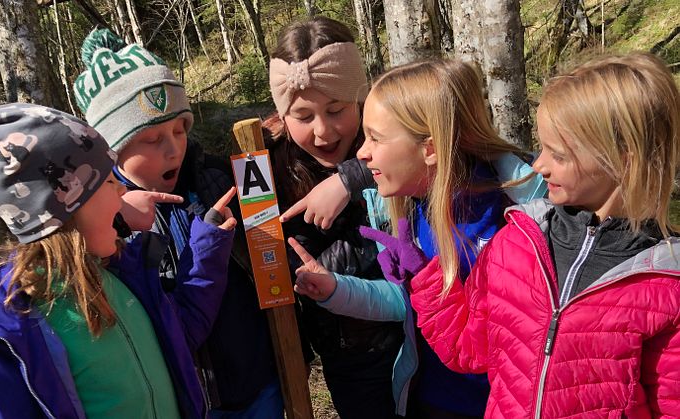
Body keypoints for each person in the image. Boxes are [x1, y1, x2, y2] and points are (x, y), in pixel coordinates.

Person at [370, 52, 680, 417]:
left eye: (558, 154)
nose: (538, 164)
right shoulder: (516, 243)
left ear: (623, 158)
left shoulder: (665, 286)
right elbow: (469, 347)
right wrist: (426, 280)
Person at [291, 58, 546, 418]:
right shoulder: (410, 208)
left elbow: (498, 342)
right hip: (428, 398)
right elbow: (407, 305)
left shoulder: (510, 221)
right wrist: (336, 289)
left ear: (429, 149)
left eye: (376, 138)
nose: (362, 153)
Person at [0, 104, 236, 418]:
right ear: (66, 205)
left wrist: (207, 245)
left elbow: (181, 334)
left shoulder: (122, 272)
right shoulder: (9, 327)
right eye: (109, 182)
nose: (123, 192)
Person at [72, 29, 284, 418]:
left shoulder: (217, 179)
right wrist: (120, 219)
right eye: (152, 139)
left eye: (180, 129)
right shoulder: (103, 224)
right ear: (114, 151)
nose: (174, 148)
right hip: (194, 399)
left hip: (261, 381)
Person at [265, 16, 404, 419]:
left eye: (336, 110)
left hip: (422, 341)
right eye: (304, 117)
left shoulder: (393, 140)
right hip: (349, 359)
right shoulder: (270, 167)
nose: (323, 132)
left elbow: (448, 140)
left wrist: (350, 177)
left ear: (360, 100)